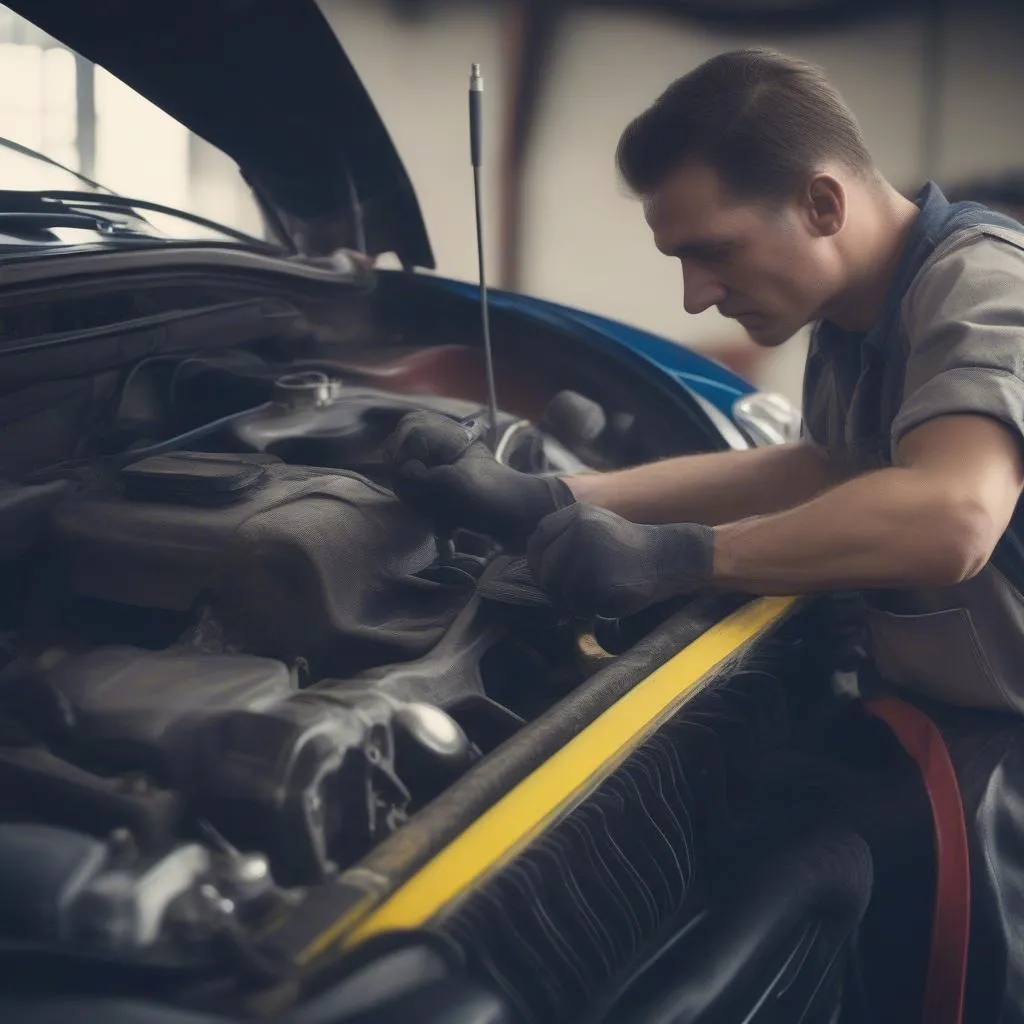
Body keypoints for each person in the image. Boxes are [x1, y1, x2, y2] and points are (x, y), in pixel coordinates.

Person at [385, 48, 1024, 1023]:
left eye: (713, 251)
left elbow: (952, 514)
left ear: (820, 204)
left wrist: (682, 557)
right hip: (945, 724)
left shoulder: (979, 288)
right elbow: (820, 469)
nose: (693, 296)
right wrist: (558, 500)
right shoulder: (860, 316)